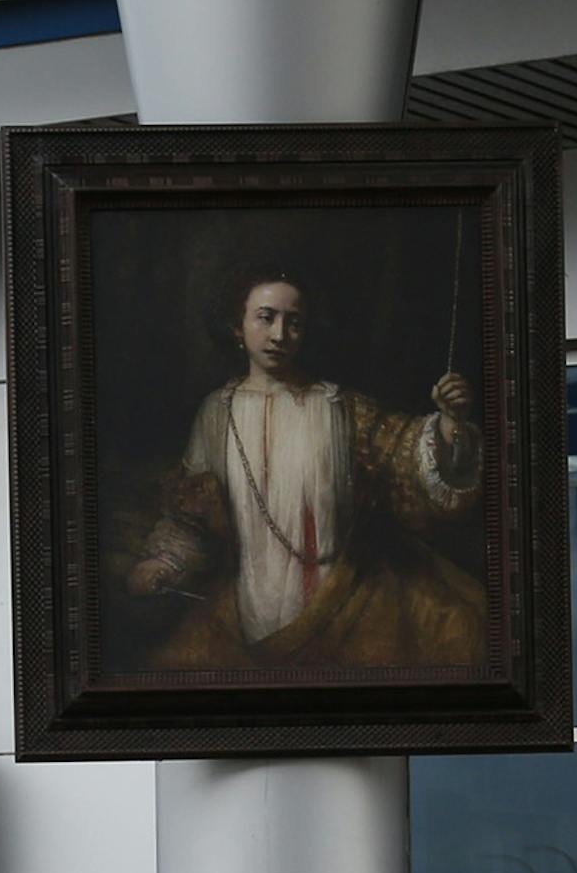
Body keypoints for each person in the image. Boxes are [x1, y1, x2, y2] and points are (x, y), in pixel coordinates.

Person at [124, 265, 486, 675]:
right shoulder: (215, 412)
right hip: (248, 608)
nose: (280, 335)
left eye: (293, 322)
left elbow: (405, 454)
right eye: (266, 317)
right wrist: (165, 562)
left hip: (345, 602)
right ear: (237, 326)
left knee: (460, 629)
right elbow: (191, 513)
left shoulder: (341, 407)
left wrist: (449, 423)